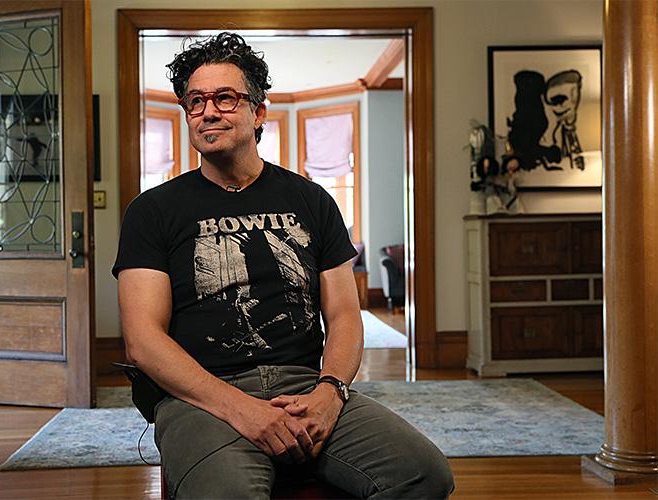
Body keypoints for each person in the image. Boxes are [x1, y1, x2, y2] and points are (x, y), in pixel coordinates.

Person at [112, 32, 454, 499]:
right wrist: (242, 409)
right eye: (195, 101)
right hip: (201, 396)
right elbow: (143, 342)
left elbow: (344, 315)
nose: (208, 111)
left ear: (259, 112)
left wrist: (330, 393)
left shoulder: (311, 200)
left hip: (304, 384)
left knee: (424, 473)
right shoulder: (152, 211)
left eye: (225, 98)